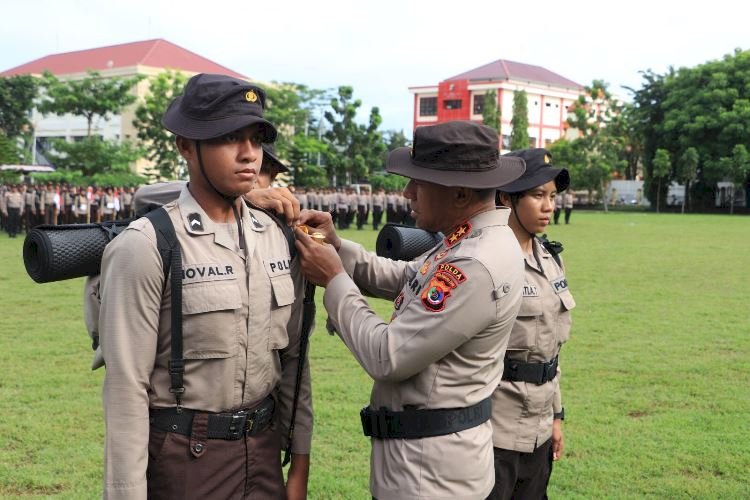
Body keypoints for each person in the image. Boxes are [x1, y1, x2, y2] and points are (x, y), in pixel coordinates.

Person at [97, 73, 312, 500]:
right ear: (185, 146)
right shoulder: (148, 244)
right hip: (185, 460)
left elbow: (294, 362)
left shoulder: (278, 236)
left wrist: (299, 465)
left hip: (264, 451)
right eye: (229, 137)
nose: (250, 154)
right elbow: (126, 392)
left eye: (256, 137)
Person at [295, 120, 526, 500]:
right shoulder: (468, 239)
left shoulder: (475, 262)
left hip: (431, 478)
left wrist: (334, 279)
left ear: (460, 193)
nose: (407, 193)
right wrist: (338, 247)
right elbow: (408, 278)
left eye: (419, 182)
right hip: (425, 465)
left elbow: (389, 355)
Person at [490, 148, 576, 500]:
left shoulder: (550, 260)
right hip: (494, 429)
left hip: (538, 428)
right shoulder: (489, 262)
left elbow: (550, 351)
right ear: (506, 198)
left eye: (553, 196)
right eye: (538, 195)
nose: (549, 206)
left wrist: (556, 417)